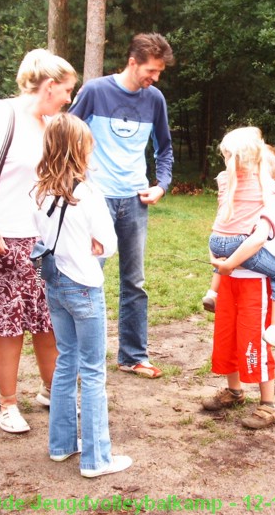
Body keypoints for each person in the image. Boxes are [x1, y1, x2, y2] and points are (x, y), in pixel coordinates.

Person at [0, 48, 77, 433]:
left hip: (46, 239)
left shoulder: (53, 121)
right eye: (67, 90)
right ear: (50, 86)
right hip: (2, 239)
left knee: (50, 320)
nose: (69, 98)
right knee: (6, 323)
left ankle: (53, 392)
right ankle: (6, 404)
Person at [68, 32, 175, 379]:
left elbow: (165, 149)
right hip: (94, 201)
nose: (155, 78)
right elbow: (66, 135)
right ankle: (86, 360)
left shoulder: (154, 99)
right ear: (132, 62)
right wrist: (75, 184)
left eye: (158, 72)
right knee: (86, 278)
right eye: (151, 70)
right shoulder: (95, 91)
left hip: (134, 201)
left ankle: (132, 355)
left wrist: (162, 185)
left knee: (134, 282)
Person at [34, 113, 132, 478]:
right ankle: (96, 459)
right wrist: (93, 244)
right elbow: (108, 243)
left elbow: (40, 235)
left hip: (54, 281)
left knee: (66, 362)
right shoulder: (88, 193)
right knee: (92, 370)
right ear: (80, 151)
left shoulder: (39, 191)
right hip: (84, 285)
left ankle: (61, 445)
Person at [203, 143, 275, 355]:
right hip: (243, 254)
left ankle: (212, 292)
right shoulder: (265, 187)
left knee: (225, 248)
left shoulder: (230, 186)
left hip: (216, 241)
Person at [201, 216, 275, 429]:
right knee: (227, 337)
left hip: (255, 282)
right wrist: (217, 268)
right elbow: (216, 237)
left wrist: (229, 263)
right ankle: (234, 392)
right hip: (229, 280)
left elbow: (257, 240)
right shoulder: (231, 202)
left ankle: (268, 404)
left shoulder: (267, 202)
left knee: (254, 340)